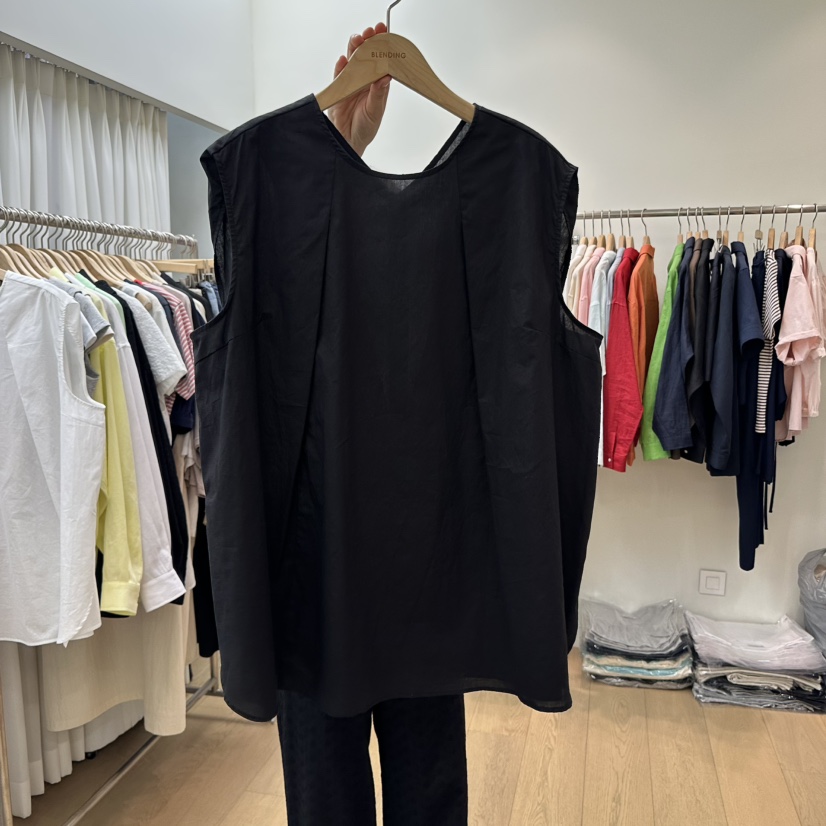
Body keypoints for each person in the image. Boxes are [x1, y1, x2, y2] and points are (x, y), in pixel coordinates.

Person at [272, 24, 470, 826]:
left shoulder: (486, 205)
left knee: (425, 789)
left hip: (423, 560)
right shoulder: (273, 203)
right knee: (330, 793)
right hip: (315, 564)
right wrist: (342, 143)